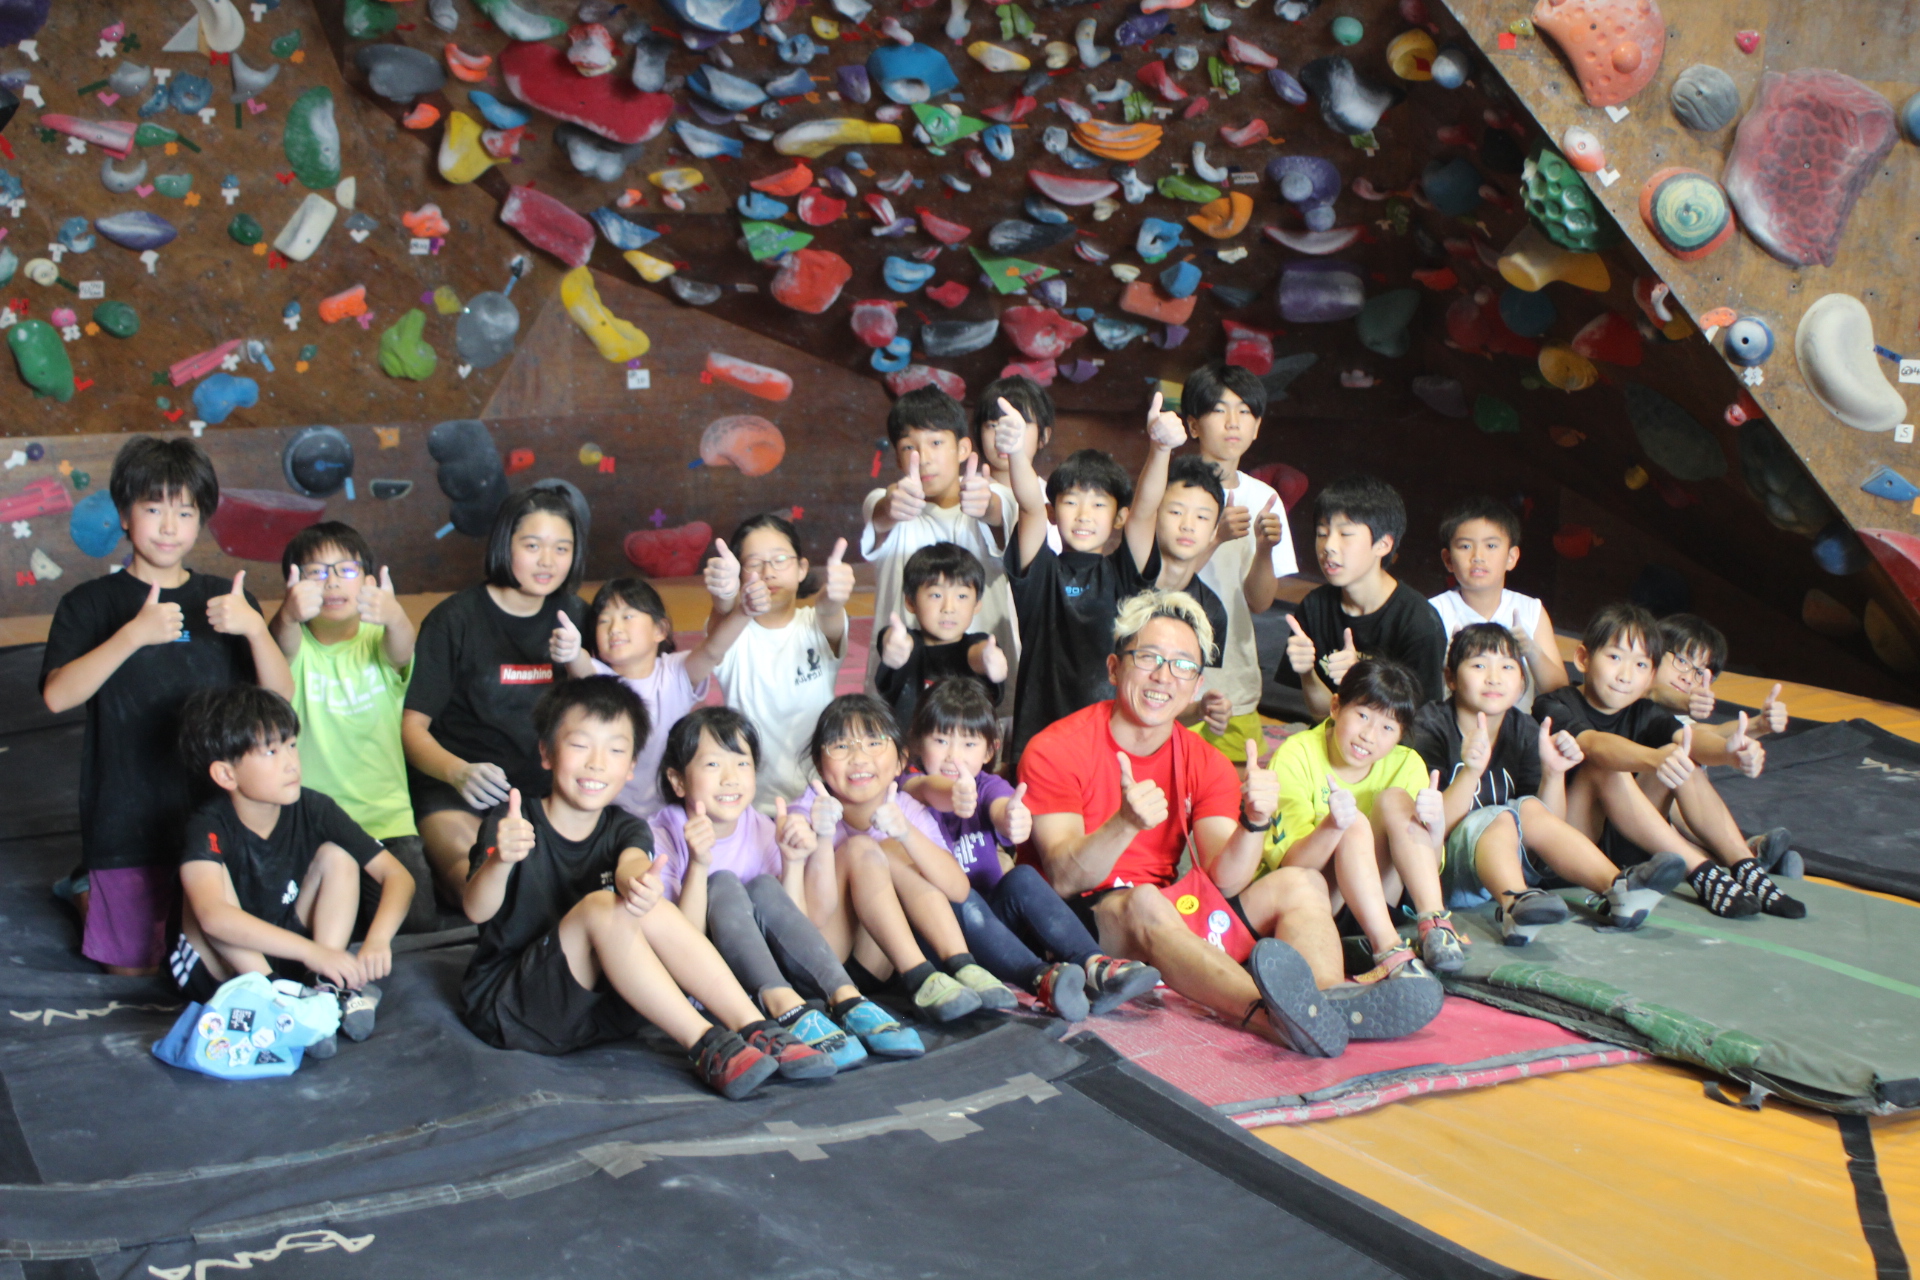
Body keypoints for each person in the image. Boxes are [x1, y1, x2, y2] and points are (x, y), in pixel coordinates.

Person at [1021, 589, 1444, 1060]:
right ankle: (1271, 1016)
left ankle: (1327, 1002)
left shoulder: (1206, 760)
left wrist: (1253, 822)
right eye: (1149, 658)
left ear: (1197, 686)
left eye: (1182, 665)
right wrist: (1124, 824)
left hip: (1173, 912)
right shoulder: (1056, 747)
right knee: (1145, 901)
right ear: (1115, 668)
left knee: (1302, 883)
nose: (1163, 675)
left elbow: (1225, 880)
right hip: (1085, 924)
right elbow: (1063, 878)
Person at [460, 677, 829, 1099]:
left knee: (635, 902)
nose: (597, 763)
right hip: (516, 1008)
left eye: (615, 750)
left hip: (605, 1009)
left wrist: (639, 884)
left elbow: (632, 864)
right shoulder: (512, 823)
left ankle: (755, 1027)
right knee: (602, 907)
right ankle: (706, 1044)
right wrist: (501, 860)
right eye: (580, 745)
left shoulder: (627, 827)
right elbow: (475, 910)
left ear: (632, 766)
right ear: (546, 752)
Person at [41, 436, 292, 976]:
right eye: (153, 509)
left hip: (215, 813)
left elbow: (277, 700)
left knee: (217, 956)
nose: (169, 526)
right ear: (124, 516)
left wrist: (254, 629)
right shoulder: (89, 604)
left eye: (185, 512)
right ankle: (85, 890)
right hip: (124, 816)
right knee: (136, 971)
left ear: (201, 521)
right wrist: (132, 636)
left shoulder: (227, 601)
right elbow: (57, 696)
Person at [649, 706, 925, 1066]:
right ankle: (786, 1009)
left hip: (773, 977)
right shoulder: (662, 834)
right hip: (715, 993)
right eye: (713, 764)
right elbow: (678, 947)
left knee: (765, 886)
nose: (730, 778)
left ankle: (847, 999)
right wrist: (699, 864)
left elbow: (796, 926)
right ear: (678, 781)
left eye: (742, 763)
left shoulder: (763, 828)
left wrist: (792, 862)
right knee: (723, 884)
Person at [170, 686, 414, 1057]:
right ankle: (275, 999)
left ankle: (326, 988)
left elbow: (398, 877)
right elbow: (213, 918)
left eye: (292, 745)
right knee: (208, 896)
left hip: (293, 958)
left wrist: (378, 940)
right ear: (226, 774)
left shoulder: (315, 807)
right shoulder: (208, 824)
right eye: (271, 751)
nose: (291, 763)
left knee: (338, 856)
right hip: (225, 972)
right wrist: (311, 951)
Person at [1407, 623, 1686, 945]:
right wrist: (1470, 772)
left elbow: (1546, 828)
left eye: (1507, 667)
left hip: (1507, 864)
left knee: (1528, 807)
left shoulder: (1523, 728)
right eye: (1479, 665)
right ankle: (1516, 904)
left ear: (1522, 682)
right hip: (1441, 872)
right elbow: (1427, 829)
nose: (1494, 678)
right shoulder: (1430, 726)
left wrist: (1553, 773)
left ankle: (1619, 889)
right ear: (1451, 678)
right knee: (1499, 817)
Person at [904, 679, 1161, 1021]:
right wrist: (953, 794)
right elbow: (926, 787)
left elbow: (1001, 806)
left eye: (968, 743)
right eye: (940, 740)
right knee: (961, 896)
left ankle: (1094, 965)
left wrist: (1013, 819)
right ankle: (1042, 978)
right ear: (918, 743)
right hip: (941, 942)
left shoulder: (987, 785)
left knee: (1022, 876)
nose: (953, 756)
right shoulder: (906, 787)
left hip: (996, 934)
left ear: (990, 750)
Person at [1534, 604, 1806, 920]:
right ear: (1583, 658)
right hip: (1571, 850)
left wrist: (1730, 753)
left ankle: (1745, 865)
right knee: (1606, 764)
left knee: (1681, 754)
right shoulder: (1553, 704)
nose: (1625, 675)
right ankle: (1702, 871)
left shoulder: (1646, 713)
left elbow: (1693, 738)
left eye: (1639, 664)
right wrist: (1655, 758)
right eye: (1615, 657)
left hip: (1629, 844)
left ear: (1650, 676)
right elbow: (1595, 744)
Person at [402, 484, 590, 902]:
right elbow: (412, 727)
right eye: (533, 545)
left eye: (562, 548)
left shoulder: (576, 616)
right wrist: (457, 772)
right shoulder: (454, 620)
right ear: (506, 544)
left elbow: (612, 704)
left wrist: (578, 660)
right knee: (478, 881)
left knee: (558, 891)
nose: (548, 561)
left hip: (547, 796)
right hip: (459, 792)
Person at [787, 694, 1017, 1020]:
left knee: (895, 849)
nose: (859, 758)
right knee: (860, 848)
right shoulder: (807, 811)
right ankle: (920, 976)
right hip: (822, 963)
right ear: (819, 763)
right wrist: (823, 837)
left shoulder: (905, 806)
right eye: (841, 746)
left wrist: (906, 833)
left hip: (874, 963)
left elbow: (958, 890)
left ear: (900, 762)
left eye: (873, 743)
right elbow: (807, 918)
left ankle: (962, 964)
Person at [270, 522, 432, 931]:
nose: (331, 583)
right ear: (294, 584)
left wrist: (395, 616)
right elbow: (281, 643)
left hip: (387, 822)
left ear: (369, 581)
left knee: (413, 931)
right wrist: (287, 615)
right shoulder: (294, 646)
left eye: (346, 569)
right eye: (315, 572)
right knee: (317, 934)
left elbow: (401, 650)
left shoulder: (379, 639)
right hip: (311, 825)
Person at [998, 393, 1168, 766]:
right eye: (1071, 501)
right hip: (1039, 740)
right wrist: (1016, 454)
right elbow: (1028, 506)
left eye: (1099, 504)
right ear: (1053, 512)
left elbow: (1145, 512)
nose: (1084, 515)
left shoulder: (1123, 575)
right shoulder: (1041, 572)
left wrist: (1160, 449)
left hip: (1110, 743)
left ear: (1118, 517)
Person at [1261, 660, 1462, 975]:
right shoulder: (1296, 754)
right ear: (1335, 707)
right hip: (1318, 906)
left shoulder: (1406, 763)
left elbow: (1427, 865)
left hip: (1381, 901)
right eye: (1363, 716)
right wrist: (1333, 827)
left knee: (1395, 799)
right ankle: (1389, 951)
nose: (1369, 735)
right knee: (1353, 824)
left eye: (1387, 727)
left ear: (1401, 734)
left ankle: (1436, 926)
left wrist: (1435, 829)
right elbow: (1291, 867)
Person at [549, 575, 749, 820]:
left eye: (627, 617)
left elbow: (713, 650)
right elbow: (581, 669)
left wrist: (744, 612)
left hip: (670, 811)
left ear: (660, 630)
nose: (614, 629)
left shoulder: (675, 672)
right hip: (608, 813)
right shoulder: (599, 678)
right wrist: (571, 652)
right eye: (604, 620)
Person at [1182, 362, 1299, 764]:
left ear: (1257, 427)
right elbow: (1159, 583)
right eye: (1219, 410)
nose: (1233, 422)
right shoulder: (1171, 491)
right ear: (1193, 425)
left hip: (1234, 681)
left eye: (1245, 411)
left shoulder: (1265, 499)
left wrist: (1264, 549)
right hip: (1173, 679)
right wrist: (1216, 537)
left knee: (1236, 785)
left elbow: (1260, 603)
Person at [861, 386, 1016, 690]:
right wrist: (891, 506)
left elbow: (999, 512)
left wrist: (986, 506)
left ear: (962, 449)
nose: (924, 458)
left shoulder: (996, 495)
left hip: (985, 691)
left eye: (935, 442)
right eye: (909, 447)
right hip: (900, 694)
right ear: (898, 458)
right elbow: (881, 513)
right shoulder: (883, 501)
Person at [707, 512, 854, 811]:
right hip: (749, 805)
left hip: (820, 800)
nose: (768, 572)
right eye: (754, 563)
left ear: (802, 569)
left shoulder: (815, 625)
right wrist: (724, 596)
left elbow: (827, 611)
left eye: (780, 559)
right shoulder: (733, 632)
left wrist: (833, 596)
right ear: (738, 573)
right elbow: (722, 615)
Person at [1281, 474, 1447, 719]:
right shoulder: (1314, 606)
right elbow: (1324, 715)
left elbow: (1420, 726)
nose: (1329, 546)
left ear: (1383, 544)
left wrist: (1363, 682)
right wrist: (1307, 673)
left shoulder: (1419, 623)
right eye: (1322, 533)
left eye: (1345, 534)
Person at [1649, 613, 1796, 874]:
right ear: (1652, 652)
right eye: (1682, 661)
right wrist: (1685, 701)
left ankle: (1743, 860)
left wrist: (1759, 725)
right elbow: (1653, 693)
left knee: (1685, 763)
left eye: (1700, 672)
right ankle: (1746, 859)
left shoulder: (1677, 720)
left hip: (1657, 822)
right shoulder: (1627, 694)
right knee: (1678, 760)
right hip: (1624, 823)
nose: (1688, 678)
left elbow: (1707, 732)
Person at [1426, 496, 1568, 712]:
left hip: (1517, 730)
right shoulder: (1432, 612)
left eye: (1491, 545)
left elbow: (1560, 692)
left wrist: (1531, 650)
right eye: (1465, 546)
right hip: (1447, 729)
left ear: (1512, 557)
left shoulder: (1531, 610)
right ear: (1448, 559)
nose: (1478, 556)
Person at [873, 542, 1006, 729]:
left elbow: (978, 653)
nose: (948, 608)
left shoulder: (978, 646)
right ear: (910, 602)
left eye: (961, 596)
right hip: (908, 747)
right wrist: (893, 644)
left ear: (977, 604)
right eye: (936, 595)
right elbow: (895, 641)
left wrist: (988, 661)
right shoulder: (906, 645)